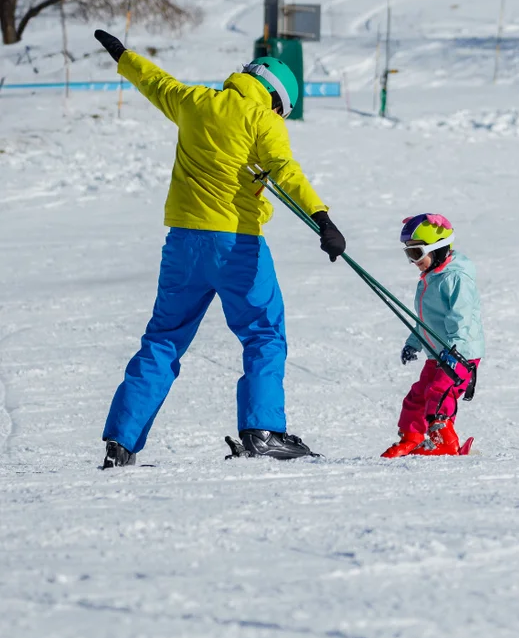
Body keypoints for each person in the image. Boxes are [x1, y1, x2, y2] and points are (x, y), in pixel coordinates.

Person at [94, 29, 346, 467]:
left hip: (183, 244)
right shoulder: (261, 119)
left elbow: (157, 83)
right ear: (273, 97)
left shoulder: (196, 102)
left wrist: (124, 56)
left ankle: (122, 441)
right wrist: (322, 219)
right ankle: (262, 432)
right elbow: (285, 170)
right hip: (236, 245)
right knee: (264, 333)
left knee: (163, 340)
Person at [381, 214, 485, 458]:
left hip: (460, 354)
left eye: (416, 254)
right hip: (438, 354)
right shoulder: (430, 279)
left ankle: (445, 441)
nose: (413, 262)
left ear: (437, 249)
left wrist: (456, 350)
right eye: (409, 255)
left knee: (439, 392)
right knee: (417, 396)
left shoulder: (455, 279)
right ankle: (412, 438)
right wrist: (413, 343)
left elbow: (463, 318)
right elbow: (424, 322)